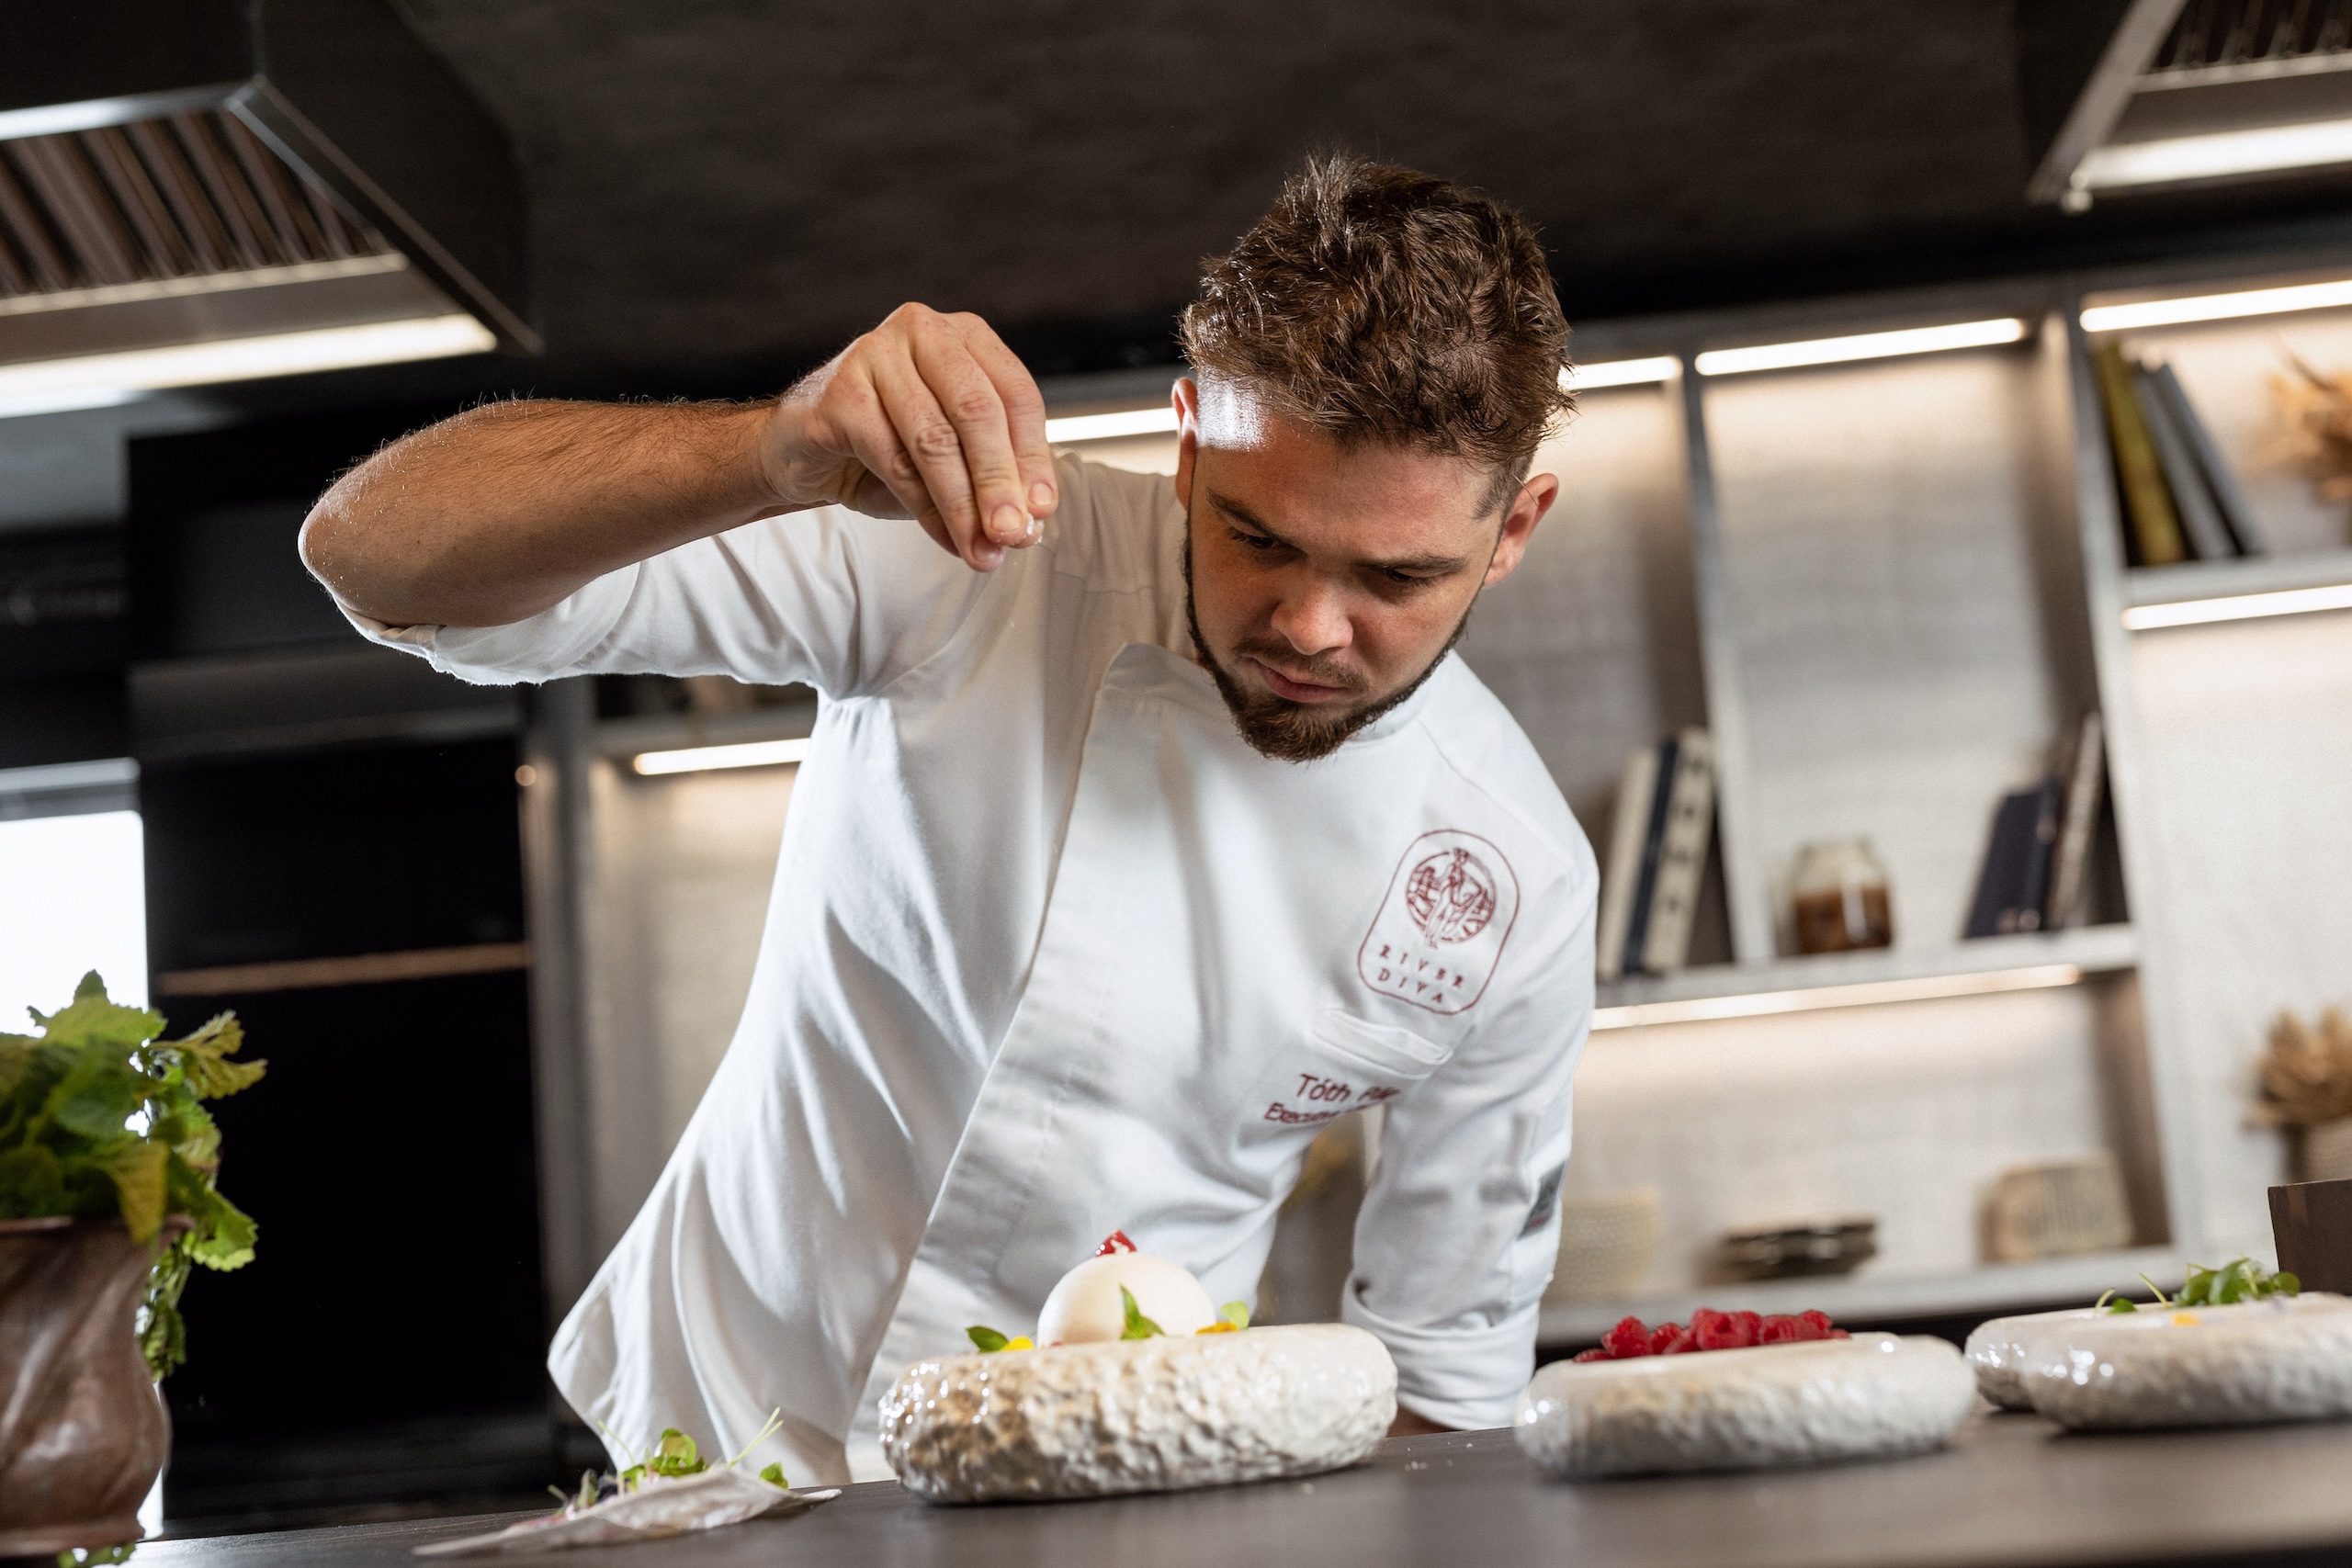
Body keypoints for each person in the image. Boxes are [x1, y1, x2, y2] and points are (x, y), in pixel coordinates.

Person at [300, 154, 1596, 1484]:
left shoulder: (1520, 879)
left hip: (1126, 1494)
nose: (1312, 628)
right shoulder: (975, 552)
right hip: (716, 1453)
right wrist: (773, 447)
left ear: (1513, 531)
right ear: (1189, 446)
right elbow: (377, 560)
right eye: (1259, 539)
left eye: (1398, 577)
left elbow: (1444, 1390)